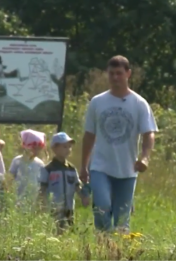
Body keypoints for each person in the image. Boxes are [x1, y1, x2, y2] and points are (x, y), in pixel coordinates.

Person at [80, 55, 158, 233]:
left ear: (128, 74)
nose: (115, 78)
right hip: (100, 167)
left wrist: (145, 158)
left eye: (119, 73)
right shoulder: (97, 102)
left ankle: (119, 251)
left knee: (122, 219)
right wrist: (84, 166)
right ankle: (104, 244)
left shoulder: (139, 103)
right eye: (111, 73)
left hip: (127, 170)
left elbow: (149, 134)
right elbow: (89, 136)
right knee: (102, 206)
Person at [40, 132, 90, 234]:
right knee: (54, 231)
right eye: (64, 147)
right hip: (54, 208)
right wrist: (42, 203)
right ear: (54, 148)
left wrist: (83, 197)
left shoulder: (71, 169)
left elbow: (77, 185)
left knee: (68, 231)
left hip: (69, 208)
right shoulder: (48, 169)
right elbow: (42, 188)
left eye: (69, 147)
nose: (68, 149)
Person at [9, 129, 45, 204]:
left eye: (39, 149)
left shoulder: (40, 164)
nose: (36, 151)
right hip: (17, 197)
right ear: (26, 146)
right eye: (34, 148)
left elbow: (41, 182)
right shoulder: (17, 161)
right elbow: (10, 177)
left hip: (33, 198)